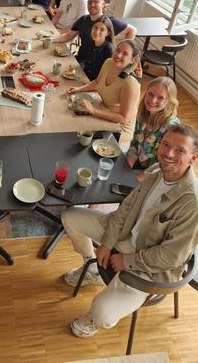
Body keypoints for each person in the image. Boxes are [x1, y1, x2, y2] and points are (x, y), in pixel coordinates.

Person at [61, 124, 198, 339]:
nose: (169, 154)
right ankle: (92, 269)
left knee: (102, 314)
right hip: (126, 235)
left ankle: (95, 318)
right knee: (70, 217)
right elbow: (127, 208)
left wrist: (126, 261)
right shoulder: (155, 171)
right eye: (166, 145)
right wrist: (106, 243)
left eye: (180, 150)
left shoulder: (192, 204)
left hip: (149, 265)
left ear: (193, 158)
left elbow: (170, 257)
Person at [67, 40, 141, 145]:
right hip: (103, 110)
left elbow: (123, 119)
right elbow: (97, 82)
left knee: (76, 136)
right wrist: (78, 89)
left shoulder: (130, 84)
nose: (118, 55)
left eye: (125, 53)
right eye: (118, 50)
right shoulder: (109, 62)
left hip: (118, 129)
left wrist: (93, 110)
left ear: (133, 59)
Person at [53, 0, 136, 57]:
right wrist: (51, 40)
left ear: (103, 4)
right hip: (81, 60)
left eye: (96, 2)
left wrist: (122, 51)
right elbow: (68, 36)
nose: (92, 5)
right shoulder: (83, 20)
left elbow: (132, 30)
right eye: (90, 2)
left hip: (97, 66)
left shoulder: (110, 22)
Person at [127, 77, 180, 178]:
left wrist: (137, 178)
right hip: (140, 163)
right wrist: (126, 168)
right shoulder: (142, 115)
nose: (153, 100)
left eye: (160, 98)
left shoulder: (172, 127)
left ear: (169, 101)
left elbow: (166, 164)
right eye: (150, 94)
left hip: (157, 175)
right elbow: (135, 143)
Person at [82, 16, 115, 81]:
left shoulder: (109, 50)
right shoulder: (90, 41)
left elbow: (106, 77)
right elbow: (83, 61)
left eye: (102, 30)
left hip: (96, 85)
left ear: (107, 33)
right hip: (85, 78)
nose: (97, 32)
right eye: (95, 28)